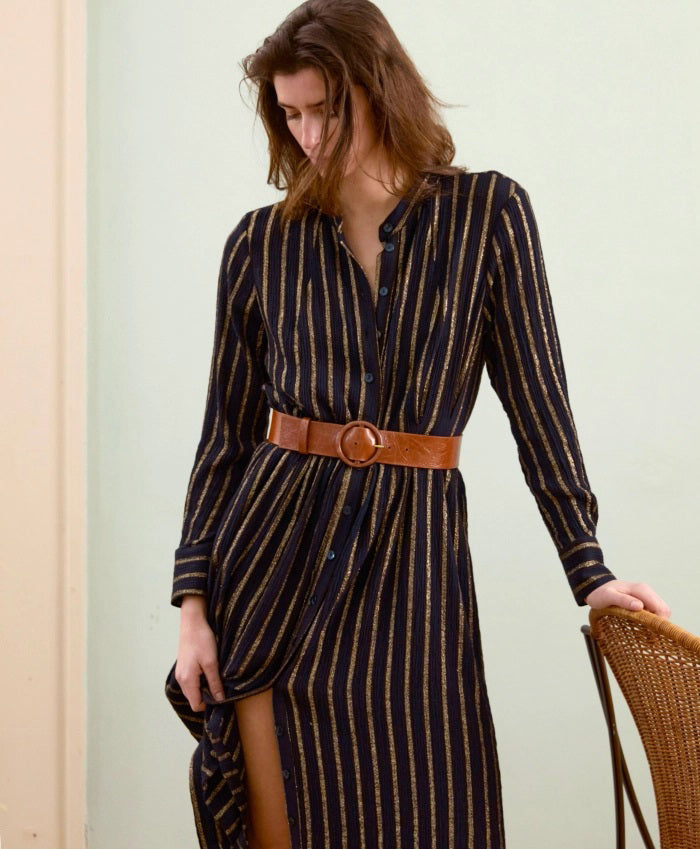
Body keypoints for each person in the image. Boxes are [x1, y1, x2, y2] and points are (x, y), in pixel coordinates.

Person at [164, 1, 672, 847]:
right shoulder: (260, 245)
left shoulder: (489, 217)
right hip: (271, 566)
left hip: (414, 570)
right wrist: (192, 608)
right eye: (290, 115)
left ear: (382, 89)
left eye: (327, 108)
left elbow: (539, 404)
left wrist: (590, 570)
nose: (309, 134)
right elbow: (225, 438)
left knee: (430, 809)